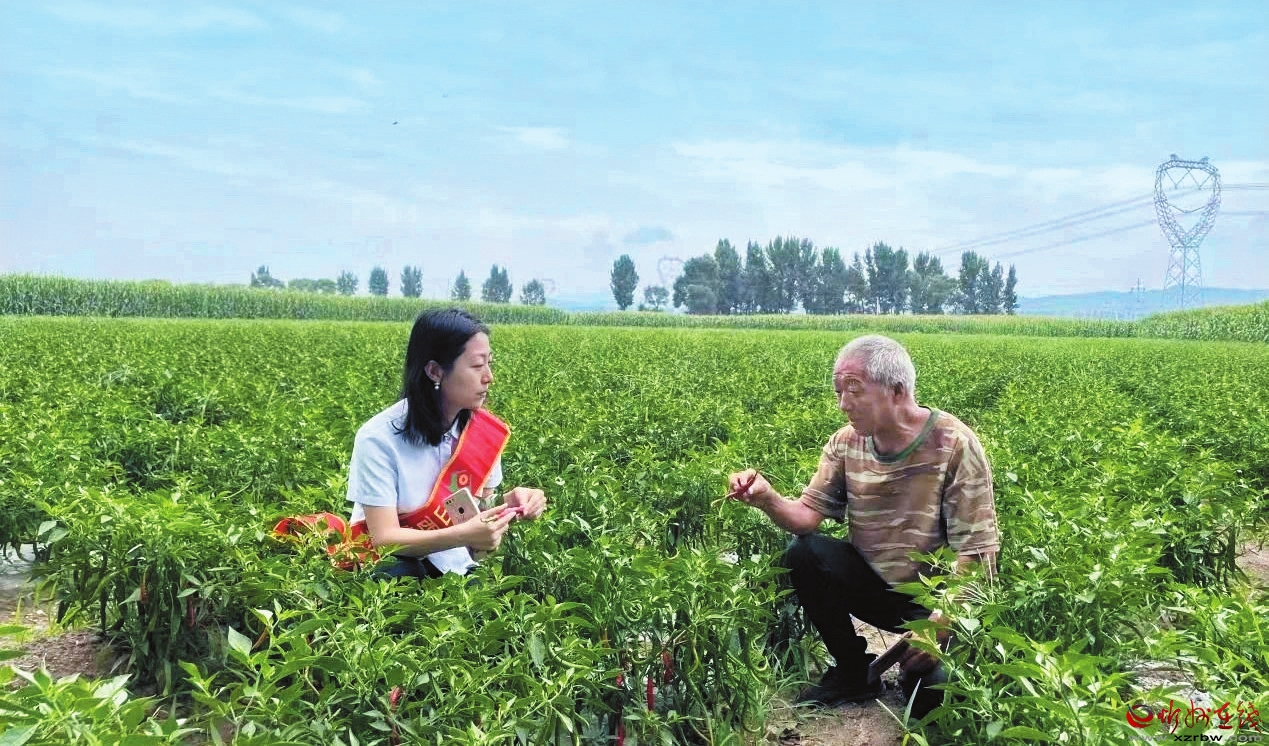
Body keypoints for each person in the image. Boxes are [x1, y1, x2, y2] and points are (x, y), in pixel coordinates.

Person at [727, 334, 998, 715]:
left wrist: (941, 625)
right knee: (805, 552)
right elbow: (806, 518)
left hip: (935, 599)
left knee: (933, 699)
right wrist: (767, 498)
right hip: (875, 589)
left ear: (897, 390)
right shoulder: (846, 443)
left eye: (854, 390)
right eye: (839, 392)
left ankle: (920, 672)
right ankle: (853, 672)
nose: (844, 404)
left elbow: (978, 553)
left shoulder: (954, 443)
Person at [346, 308, 547, 579]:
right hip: (390, 568)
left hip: (455, 568)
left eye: (489, 363)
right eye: (477, 366)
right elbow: (384, 540)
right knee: (399, 572)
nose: (489, 377)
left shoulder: (482, 432)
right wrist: (464, 534)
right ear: (435, 371)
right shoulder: (378, 439)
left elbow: (477, 522)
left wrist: (509, 507)